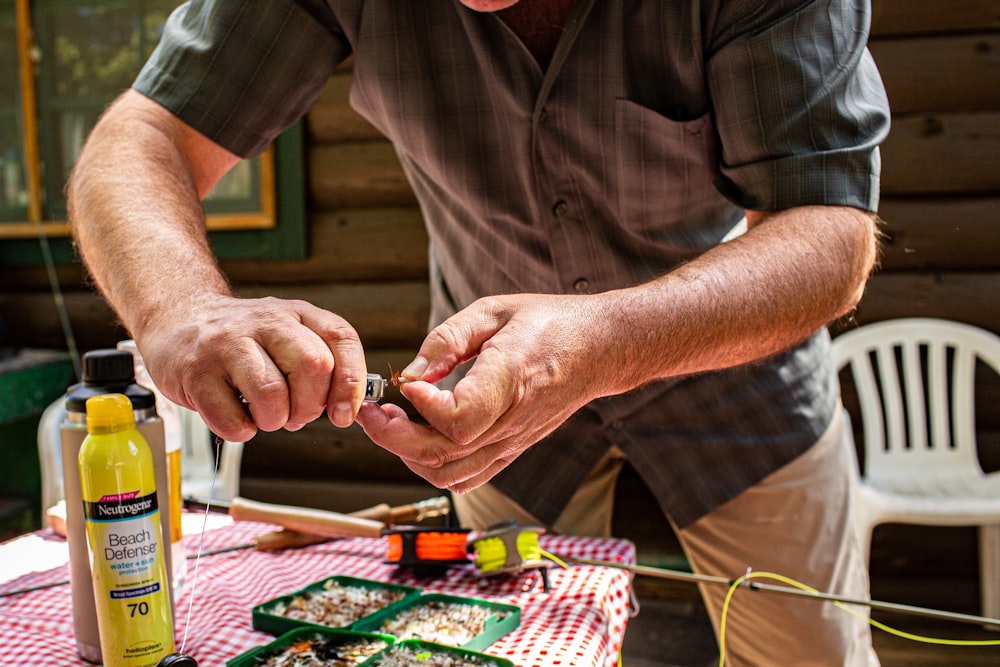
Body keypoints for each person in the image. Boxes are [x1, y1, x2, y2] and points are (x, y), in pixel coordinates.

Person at [67, 0, 890, 664]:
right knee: (485, 647)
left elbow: (829, 233)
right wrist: (181, 308)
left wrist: (602, 340)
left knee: (808, 651)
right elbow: (140, 139)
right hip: (483, 401)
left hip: (740, 383)